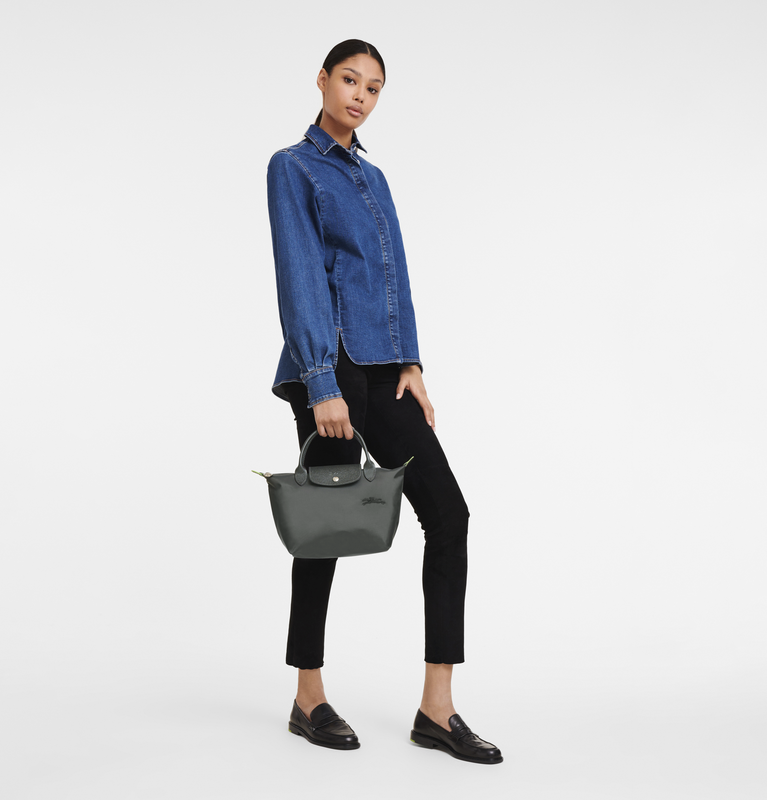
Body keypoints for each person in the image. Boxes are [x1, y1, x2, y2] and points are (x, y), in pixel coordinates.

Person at [265, 39, 502, 765]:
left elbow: (393, 276)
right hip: (331, 364)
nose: (360, 96)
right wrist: (321, 381)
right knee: (326, 527)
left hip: (384, 366)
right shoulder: (292, 167)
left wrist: (413, 362)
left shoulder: (375, 179)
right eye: (349, 80)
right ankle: (308, 696)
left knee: (449, 515)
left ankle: (438, 708)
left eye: (373, 87)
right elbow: (299, 273)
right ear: (322, 81)